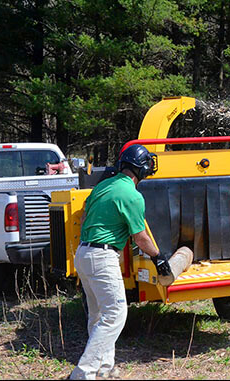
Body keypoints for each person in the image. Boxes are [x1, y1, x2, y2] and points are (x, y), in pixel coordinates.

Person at [70, 144, 172, 380]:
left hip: (83, 254)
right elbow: (140, 237)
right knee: (115, 314)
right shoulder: (132, 195)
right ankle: (83, 373)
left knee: (98, 315)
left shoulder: (103, 186)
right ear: (141, 168)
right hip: (102, 257)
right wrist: (158, 257)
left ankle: (104, 368)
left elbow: (85, 216)